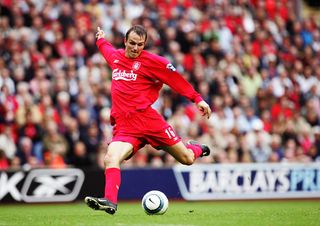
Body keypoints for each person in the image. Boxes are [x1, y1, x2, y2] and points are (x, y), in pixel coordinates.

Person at [84, 25, 212, 215]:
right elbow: (105, 48)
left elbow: (175, 80)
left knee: (186, 158)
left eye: (140, 45)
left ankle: (198, 148)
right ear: (125, 41)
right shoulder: (116, 58)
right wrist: (100, 38)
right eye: (132, 43)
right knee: (110, 158)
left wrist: (197, 99)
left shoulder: (154, 62)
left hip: (149, 121)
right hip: (125, 126)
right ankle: (110, 201)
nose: (136, 48)